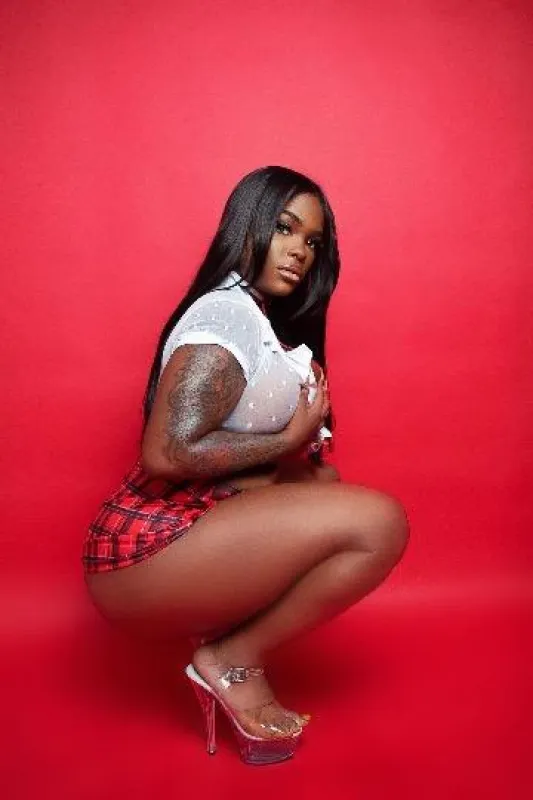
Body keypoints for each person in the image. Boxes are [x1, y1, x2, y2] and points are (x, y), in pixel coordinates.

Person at [83, 165, 409, 765]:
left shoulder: (256, 319)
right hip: (142, 551)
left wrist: (302, 453)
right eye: (284, 228)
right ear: (247, 225)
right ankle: (231, 659)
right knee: (379, 523)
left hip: (188, 532)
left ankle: (227, 648)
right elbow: (166, 453)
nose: (300, 251)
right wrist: (290, 438)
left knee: (326, 485)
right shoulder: (226, 313)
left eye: (313, 241)